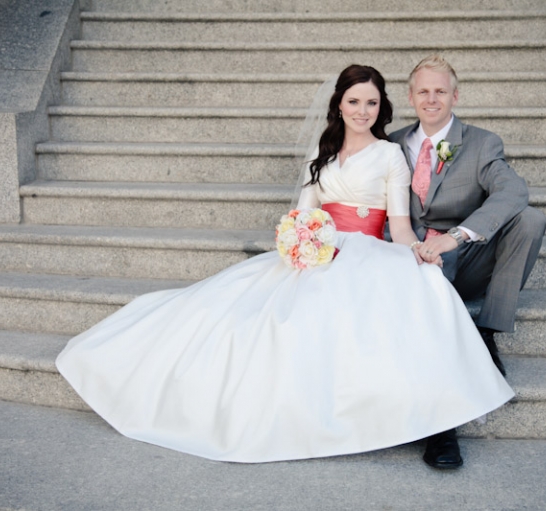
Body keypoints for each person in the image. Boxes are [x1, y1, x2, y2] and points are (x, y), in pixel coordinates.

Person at [56, 64, 513, 465]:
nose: (363, 110)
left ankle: (436, 421)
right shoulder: (325, 150)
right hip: (316, 247)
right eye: (354, 101)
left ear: (382, 106)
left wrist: (420, 254)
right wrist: (299, 242)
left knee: (390, 305)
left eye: (372, 102)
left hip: (368, 249)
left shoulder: (390, 153)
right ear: (339, 105)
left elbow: (398, 224)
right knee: (240, 314)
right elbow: (303, 212)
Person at [389, 54, 546, 468]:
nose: (432, 98)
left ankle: (488, 328)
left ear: (455, 95)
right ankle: (440, 429)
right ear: (410, 97)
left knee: (529, 220)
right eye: (423, 91)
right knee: (419, 316)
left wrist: (455, 238)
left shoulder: (481, 143)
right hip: (404, 260)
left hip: (462, 258)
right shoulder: (389, 143)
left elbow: (513, 193)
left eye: (440, 90)